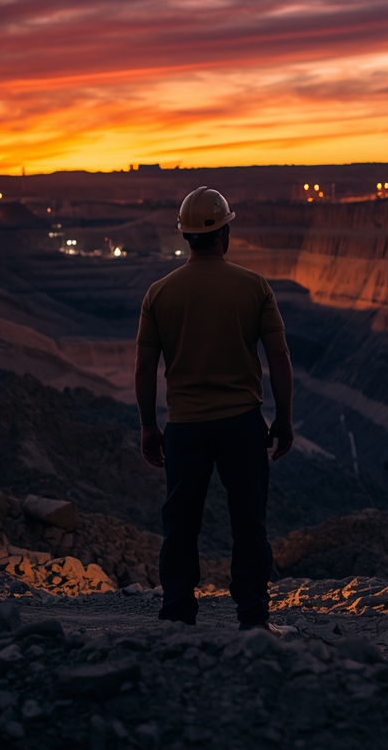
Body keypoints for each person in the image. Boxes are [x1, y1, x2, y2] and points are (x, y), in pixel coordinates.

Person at [134, 187, 295, 633]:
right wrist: (282, 419)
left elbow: (145, 366)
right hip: (242, 424)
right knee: (249, 521)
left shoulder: (159, 293)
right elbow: (279, 358)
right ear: (226, 232)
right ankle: (253, 618)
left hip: (185, 426)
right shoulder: (254, 286)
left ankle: (178, 613)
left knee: (181, 522)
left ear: (186, 236)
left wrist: (149, 425)